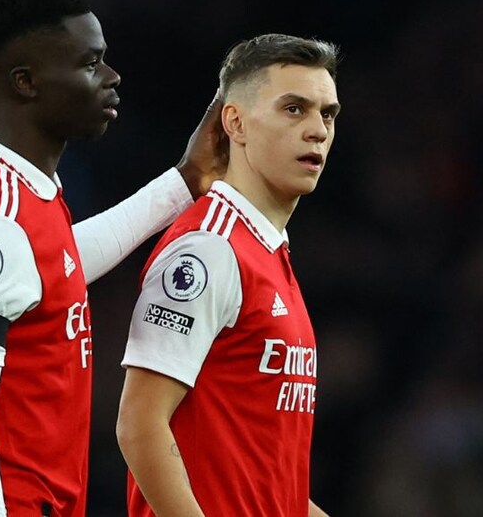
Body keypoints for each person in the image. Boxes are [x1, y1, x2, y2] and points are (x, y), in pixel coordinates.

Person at [0, 0, 225, 516]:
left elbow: (56, 268)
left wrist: (185, 182)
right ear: (26, 82)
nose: (112, 76)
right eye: (90, 63)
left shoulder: (23, 195)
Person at [116, 33, 340, 517]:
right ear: (234, 122)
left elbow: (266, 481)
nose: (318, 130)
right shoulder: (208, 249)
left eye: (328, 114)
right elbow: (139, 424)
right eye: (294, 109)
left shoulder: (266, 252)